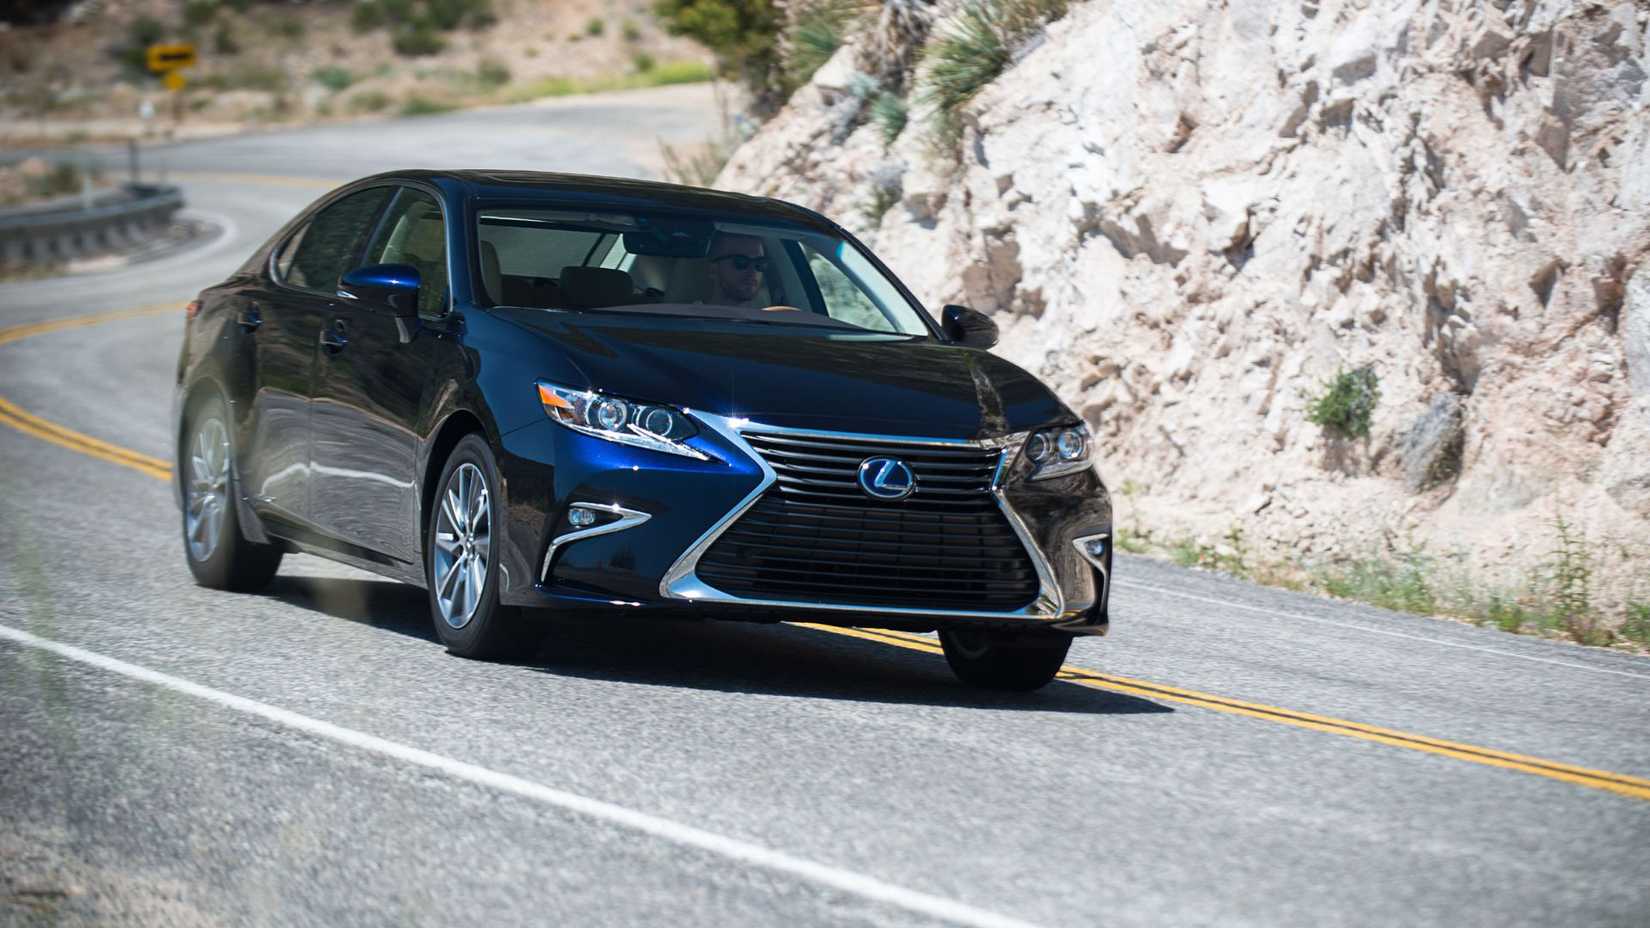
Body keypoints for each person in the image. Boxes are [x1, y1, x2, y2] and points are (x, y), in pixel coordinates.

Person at [704, 233, 767, 306]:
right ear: (713, 269)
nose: (753, 272)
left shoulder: (773, 316)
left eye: (759, 263)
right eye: (740, 262)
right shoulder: (692, 315)